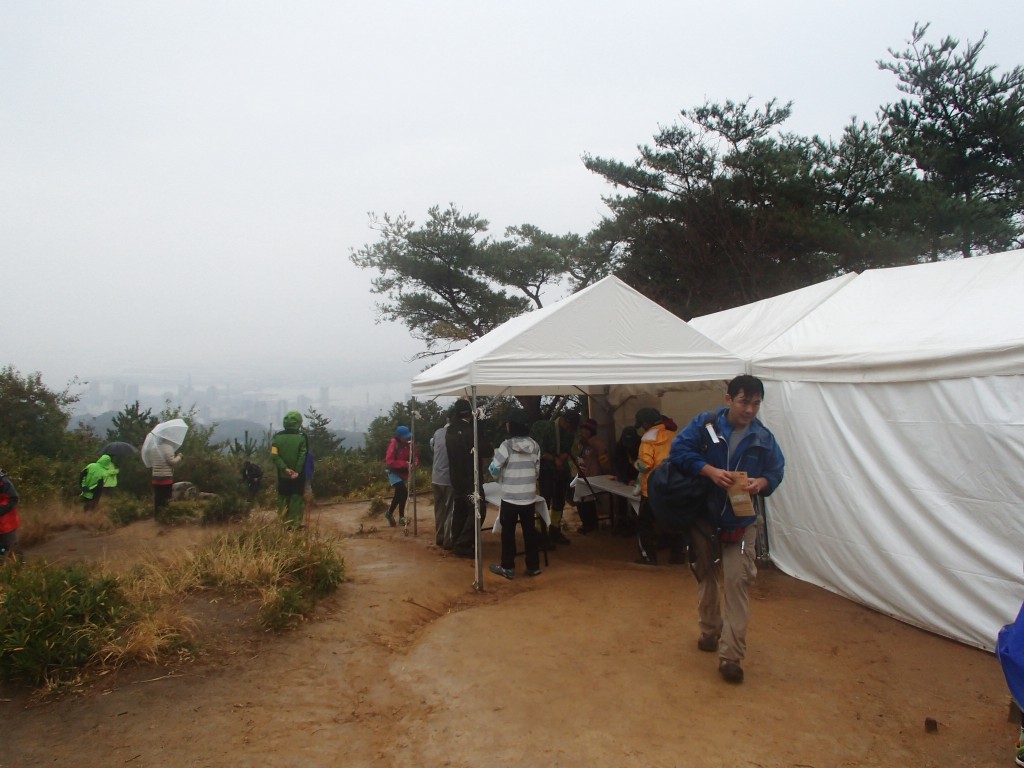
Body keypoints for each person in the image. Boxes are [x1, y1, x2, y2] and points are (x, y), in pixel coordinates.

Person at [669, 374, 785, 684]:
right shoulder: (705, 426)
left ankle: (731, 656)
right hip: (705, 519)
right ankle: (709, 631)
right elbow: (679, 452)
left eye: (756, 403)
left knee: (737, 585)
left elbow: (776, 470)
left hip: (741, 524)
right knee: (706, 577)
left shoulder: (763, 438)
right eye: (744, 401)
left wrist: (761, 483)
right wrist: (708, 470)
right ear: (728, 399)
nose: (750, 409)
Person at [487, 408, 542, 579]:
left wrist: (499, 478)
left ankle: (508, 567)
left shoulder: (506, 446)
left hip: (510, 497)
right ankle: (533, 566)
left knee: (508, 533)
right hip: (529, 496)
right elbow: (537, 471)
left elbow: (494, 468)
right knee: (530, 532)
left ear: (512, 426)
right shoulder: (535, 445)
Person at [632, 408, 680, 564]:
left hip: (651, 488)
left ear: (645, 423)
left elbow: (645, 464)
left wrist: (635, 464)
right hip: (673, 485)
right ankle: (678, 556)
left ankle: (649, 557)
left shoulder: (647, 438)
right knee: (674, 521)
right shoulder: (673, 435)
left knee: (645, 524)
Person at [529, 409, 579, 547]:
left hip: (561, 469)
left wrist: (562, 458)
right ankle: (540, 531)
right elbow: (540, 451)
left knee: (559, 499)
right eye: (569, 425)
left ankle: (555, 529)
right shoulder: (546, 429)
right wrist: (554, 459)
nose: (570, 429)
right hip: (546, 469)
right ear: (563, 420)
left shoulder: (569, 433)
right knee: (545, 499)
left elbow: (567, 449)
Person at [446, 399, 478, 558]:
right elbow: (484, 449)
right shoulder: (469, 432)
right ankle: (463, 543)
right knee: (478, 509)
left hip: (456, 479)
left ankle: (455, 539)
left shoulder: (449, 430)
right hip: (470, 481)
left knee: (459, 509)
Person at [271, 410, 309, 530]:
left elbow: (274, 455)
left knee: (283, 497)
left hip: (283, 475)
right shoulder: (302, 437)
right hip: (298, 475)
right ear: (299, 422)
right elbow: (303, 454)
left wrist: (285, 468)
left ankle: (283, 523)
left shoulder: (277, 437)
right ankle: (295, 524)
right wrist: (296, 471)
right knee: (296, 498)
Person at [574, 418, 611, 534]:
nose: (584, 431)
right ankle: (589, 523)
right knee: (580, 498)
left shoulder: (597, 443)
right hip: (584, 476)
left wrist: (606, 473)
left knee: (584, 499)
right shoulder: (583, 443)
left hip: (594, 477)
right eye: (583, 429)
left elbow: (604, 459)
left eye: (587, 430)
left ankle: (590, 524)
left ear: (592, 431)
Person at [385, 425, 417, 527]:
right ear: (399, 437)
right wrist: (405, 464)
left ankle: (389, 513)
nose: (407, 438)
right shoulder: (394, 444)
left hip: (404, 473)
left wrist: (414, 463)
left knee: (398, 495)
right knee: (403, 492)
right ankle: (402, 517)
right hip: (394, 472)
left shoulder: (410, 443)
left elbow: (415, 455)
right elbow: (389, 461)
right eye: (405, 437)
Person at [611, 425, 641, 536]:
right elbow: (618, 465)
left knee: (637, 499)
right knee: (621, 497)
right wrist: (626, 479)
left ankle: (636, 524)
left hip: (639, 475)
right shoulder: (619, 447)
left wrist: (637, 480)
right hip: (626, 476)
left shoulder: (642, 445)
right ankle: (621, 522)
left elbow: (645, 464)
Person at [430, 420, 454, 549]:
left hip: (436, 477)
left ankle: (439, 537)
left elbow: (433, 448)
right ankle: (448, 540)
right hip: (448, 478)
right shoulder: (455, 434)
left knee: (439, 508)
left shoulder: (437, 432)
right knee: (451, 508)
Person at [149, 438, 182, 514]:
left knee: (158, 497)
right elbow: (171, 462)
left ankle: (157, 515)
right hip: (166, 477)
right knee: (166, 496)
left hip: (155, 477)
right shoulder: (168, 447)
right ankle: (165, 514)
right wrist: (179, 457)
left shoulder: (153, 448)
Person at [0, 469, 20, 560]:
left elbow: (13, 499)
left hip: (6, 524)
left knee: (9, 550)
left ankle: (19, 571)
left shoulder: (4, 483)